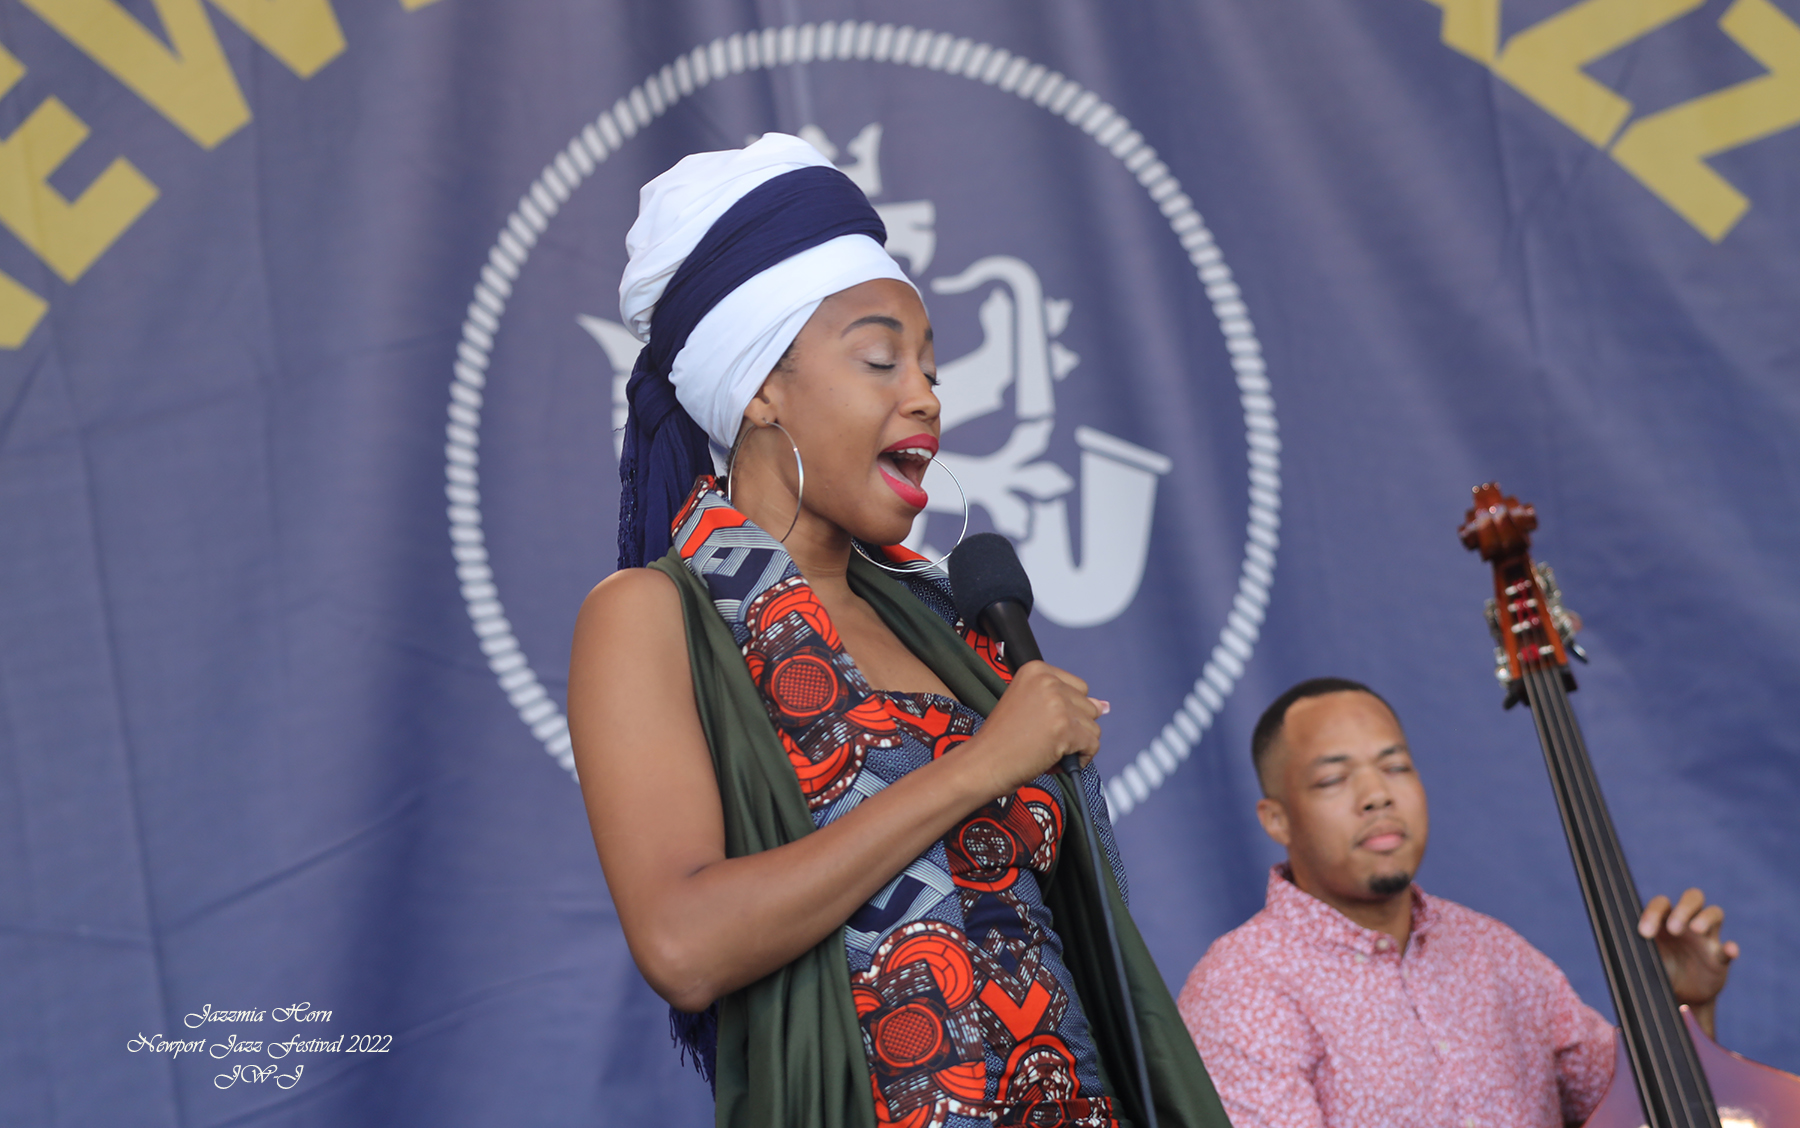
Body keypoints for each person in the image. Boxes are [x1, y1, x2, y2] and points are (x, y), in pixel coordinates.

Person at [567, 134, 1228, 1128]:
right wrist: (977, 766)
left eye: (928, 368)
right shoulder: (653, 616)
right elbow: (684, 945)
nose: (923, 394)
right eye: (880, 360)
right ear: (759, 389)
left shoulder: (941, 622)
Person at [1176, 677, 1737, 1128]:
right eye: (1334, 779)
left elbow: (1640, 1115)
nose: (1378, 795)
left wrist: (1680, 1014)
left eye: (1395, 767)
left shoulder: (1492, 952)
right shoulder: (1240, 986)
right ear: (1277, 819)